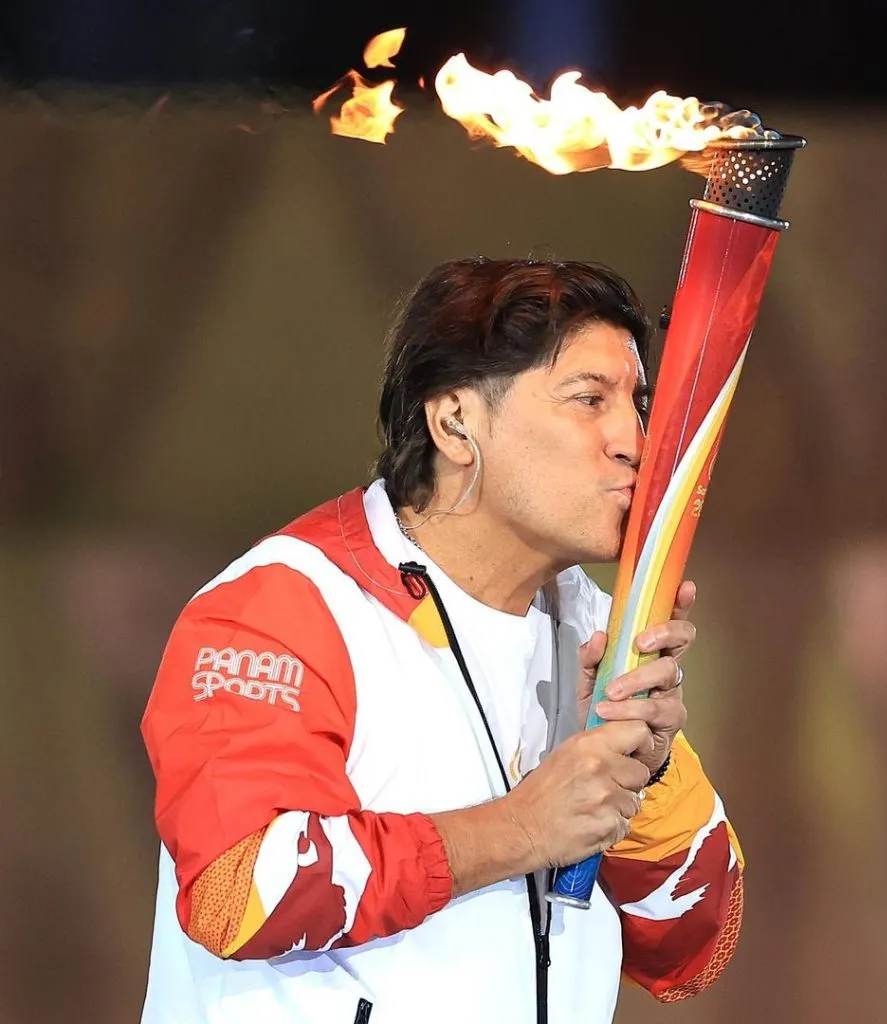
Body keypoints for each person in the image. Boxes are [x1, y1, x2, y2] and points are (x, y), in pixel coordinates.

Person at [139, 258, 744, 1024]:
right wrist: (519, 829)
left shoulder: (602, 628)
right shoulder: (285, 605)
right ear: (456, 422)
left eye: (639, 403)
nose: (636, 441)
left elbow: (693, 949)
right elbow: (237, 891)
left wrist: (647, 779)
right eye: (589, 399)